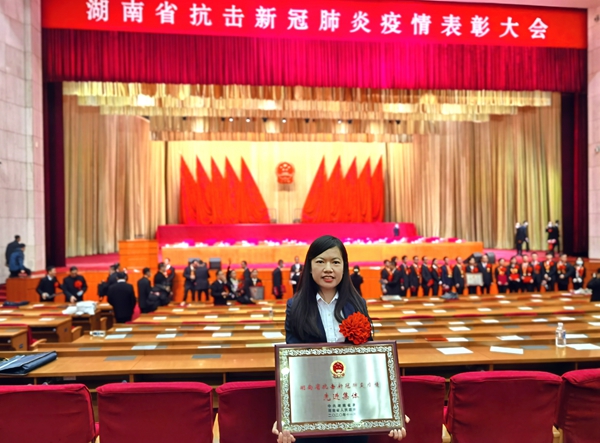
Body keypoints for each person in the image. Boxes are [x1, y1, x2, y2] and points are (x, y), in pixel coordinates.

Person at [276, 235, 406, 443]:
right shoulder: (295, 307)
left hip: (353, 409)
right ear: (309, 267)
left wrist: (392, 410)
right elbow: (293, 365)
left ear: (344, 267)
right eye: (320, 261)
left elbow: (371, 360)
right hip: (312, 411)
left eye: (335, 262)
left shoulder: (358, 304)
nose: (328, 269)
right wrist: (286, 415)